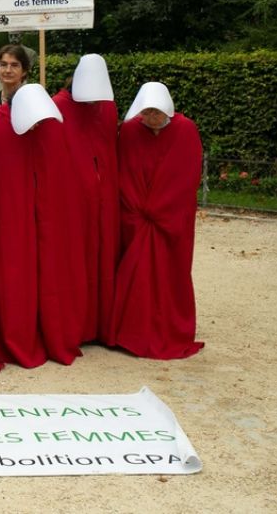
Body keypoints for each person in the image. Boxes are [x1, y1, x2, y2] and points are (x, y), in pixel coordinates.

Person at [0, 84, 85, 367]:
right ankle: (15, 333)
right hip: (10, 216)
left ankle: (49, 330)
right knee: (14, 277)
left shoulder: (52, 127)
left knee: (49, 275)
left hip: (46, 216)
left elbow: (60, 172)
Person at [113, 82, 204, 359]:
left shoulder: (185, 131)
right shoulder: (129, 131)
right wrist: (137, 207)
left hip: (168, 218)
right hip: (137, 218)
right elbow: (124, 172)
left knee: (169, 273)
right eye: (146, 112)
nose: (151, 118)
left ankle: (168, 327)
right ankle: (131, 330)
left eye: (156, 113)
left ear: (168, 111)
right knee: (135, 274)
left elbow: (186, 178)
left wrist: (158, 208)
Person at [52, 53, 120, 345]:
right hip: (70, 197)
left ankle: (101, 323)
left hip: (103, 197)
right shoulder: (58, 107)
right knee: (73, 258)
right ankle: (75, 323)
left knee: (103, 256)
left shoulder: (107, 108)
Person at [0, 44, 30, 114]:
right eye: (3, 64)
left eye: (14, 65)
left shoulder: (32, 102)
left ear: (24, 71)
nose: (8, 70)